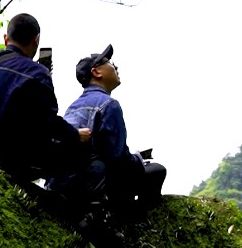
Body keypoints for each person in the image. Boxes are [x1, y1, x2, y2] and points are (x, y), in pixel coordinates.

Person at [0, 13, 91, 186]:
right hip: (10, 162)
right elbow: (48, 122)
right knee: (81, 154)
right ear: (36, 41)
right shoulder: (38, 73)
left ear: (6, 39)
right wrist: (75, 135)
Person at [49, 44, 166, 219]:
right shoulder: (108, 104)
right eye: (109, 62)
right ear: (97, 72)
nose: (116, 66)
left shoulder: (73, 106)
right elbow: (118, 158)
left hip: (62, 183)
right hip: (90, 184)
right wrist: (138, 160)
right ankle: (134, 221)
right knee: (157, 170)